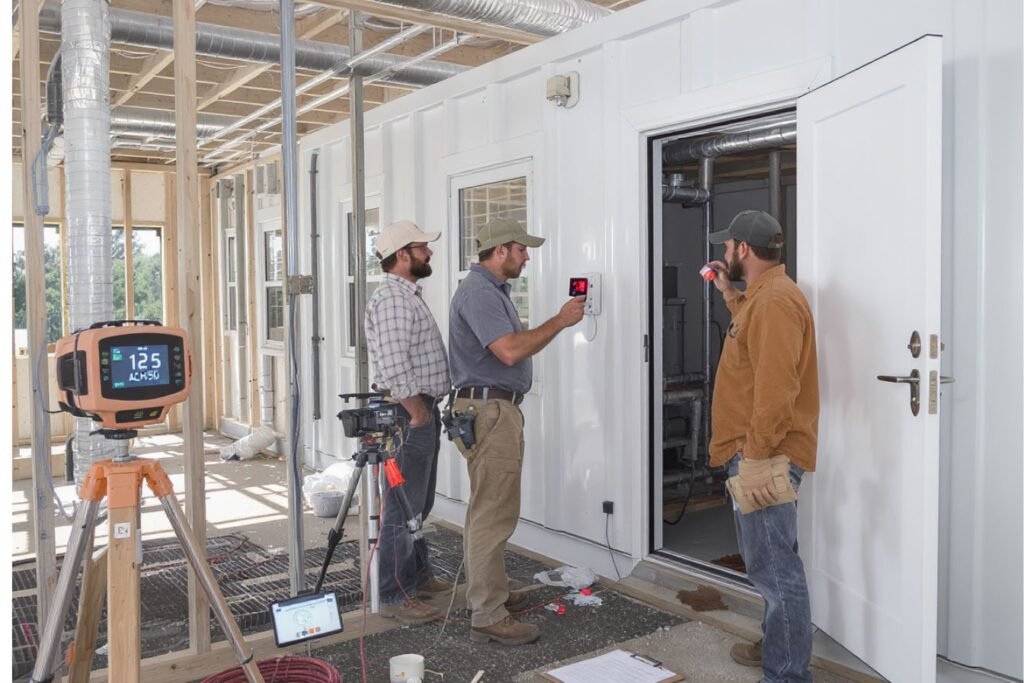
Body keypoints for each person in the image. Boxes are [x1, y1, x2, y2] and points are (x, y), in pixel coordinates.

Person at [448, 217, 585, 646]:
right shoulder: (479, 292)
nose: (527, 257)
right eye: (522, 249)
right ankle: (488, 613)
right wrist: (560, 320)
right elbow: (508, 351)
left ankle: (490, 594)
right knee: (493, 514)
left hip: (489, 409)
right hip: (490, 411)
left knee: (487, 509)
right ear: (501, 249)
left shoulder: (491, 291)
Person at [706, 210, 819, 683]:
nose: (724, 253)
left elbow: (776, 392)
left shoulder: (773, 302)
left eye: (728, 246)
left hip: (764, 456)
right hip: (759, 452)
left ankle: (787, 674)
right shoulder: (763, 298)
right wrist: (730, 294)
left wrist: (753, 459)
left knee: (775, 571)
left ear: (744, 250)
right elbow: (757, 343)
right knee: (772, 563)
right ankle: (778, 644)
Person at [364, 220, 454, 625]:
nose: (429, 253)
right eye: (422, 248)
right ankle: (394, 595)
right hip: (407, 414)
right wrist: (417, 411)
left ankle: (417, 576)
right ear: (403, 255)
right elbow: (394, 364)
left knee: (417, 503)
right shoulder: (393, 300)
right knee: (401, 508)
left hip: (417, 411)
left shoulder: (405, 295)